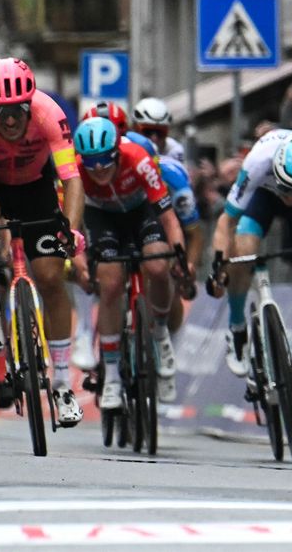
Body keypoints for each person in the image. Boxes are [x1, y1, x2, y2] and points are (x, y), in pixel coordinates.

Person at [0, 57, 86, 427]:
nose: (9, 120)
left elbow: (71, 179)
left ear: (30, 104)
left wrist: (69, 231)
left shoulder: (50, 113)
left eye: (17, 111)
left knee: (53, 279)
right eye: (0, 112)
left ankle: (60, 382)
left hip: (35, 187)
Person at [207, 129, 292, 434]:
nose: (291, 197)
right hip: (263, 197)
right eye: (287, 189)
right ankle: (237, 328)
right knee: (243, 249)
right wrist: (219, 264)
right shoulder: (258, 161)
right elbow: (226, 221)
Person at [71, 118, 188, 407]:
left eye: (104, 160)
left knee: (159, 266)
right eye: (91, 162)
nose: (98, 168)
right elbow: (70, 226)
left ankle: (160, 332)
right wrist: (78, 262)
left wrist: (180, 256)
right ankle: (111, 374)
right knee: (109, 284)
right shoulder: (74, 170)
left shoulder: (138, 158)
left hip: (141, 213)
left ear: (117, 153)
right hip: (103, 218)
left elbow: (169, 217)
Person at [132, 97, 186, 165]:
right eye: (147, 131)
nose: (154, 138)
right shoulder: (124, 147)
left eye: (160, 132)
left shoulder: (174, 151)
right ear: (135, 129)